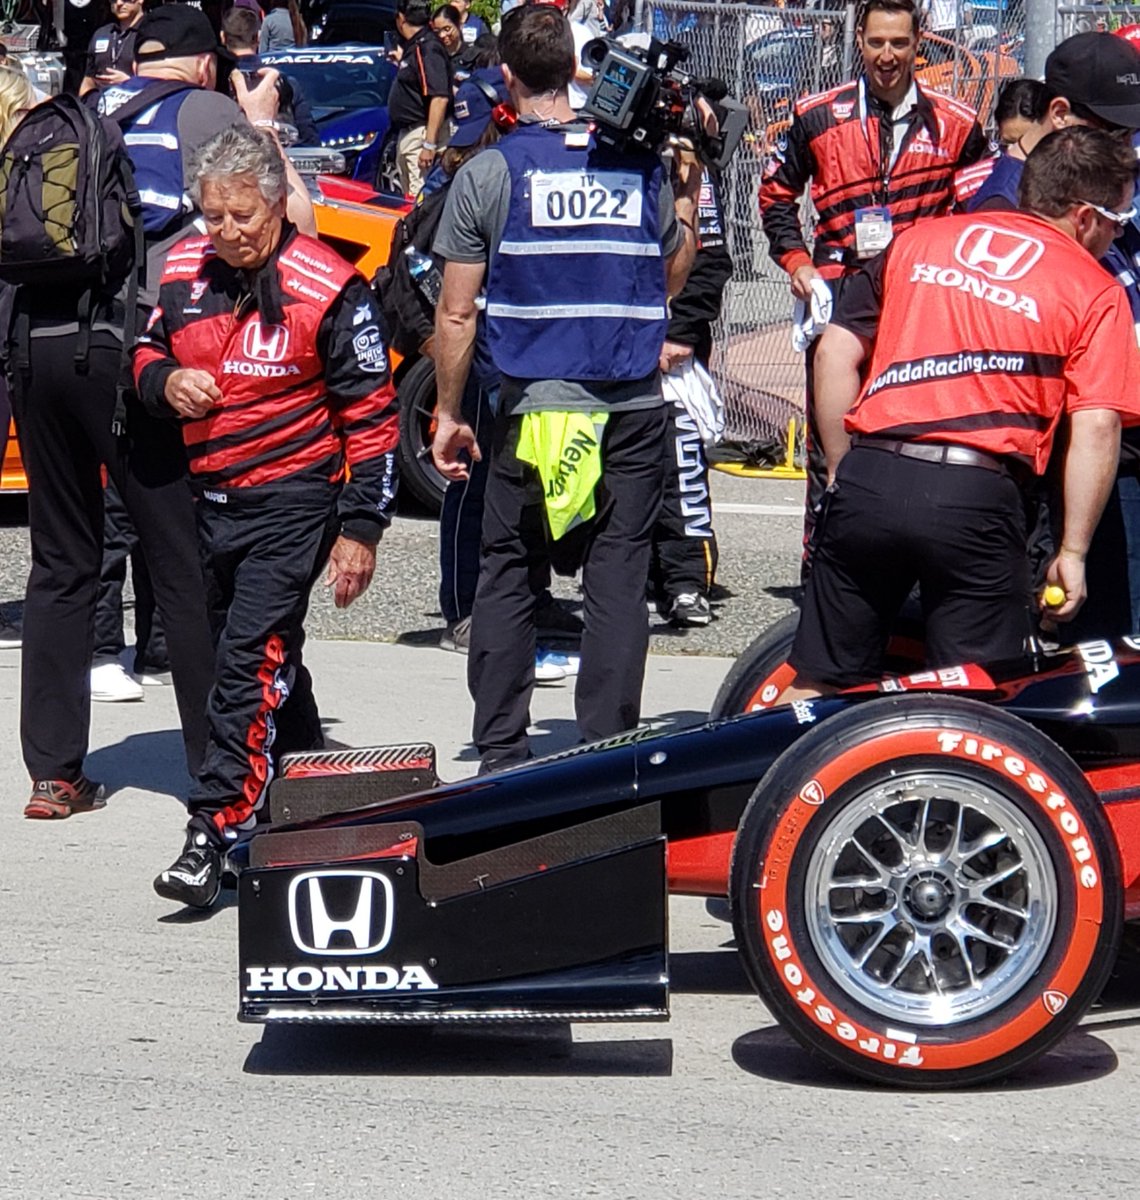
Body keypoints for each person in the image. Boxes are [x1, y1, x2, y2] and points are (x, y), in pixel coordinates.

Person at [12, 5, 311, 822]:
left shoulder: (74, 107)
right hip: (127, 354)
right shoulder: (207, 112)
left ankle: (54, 773)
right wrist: (261, 125)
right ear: (207, 65)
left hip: (35, 349)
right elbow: (296, 223)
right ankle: (218, 772)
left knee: (61, 558)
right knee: (183, 561)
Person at [134, 124, 400, 909]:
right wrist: (166, 381)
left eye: (240, 217)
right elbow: (144, 353)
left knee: (248, 661)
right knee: (244, 658)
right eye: (211, 216)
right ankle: (312, 774)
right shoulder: (184, 266)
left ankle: (212, 832)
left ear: (277, 204)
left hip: (297, 501)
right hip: (210, 501)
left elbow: (373, 418)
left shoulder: (330, 284)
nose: (225, 233)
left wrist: (361, 530)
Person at [431, 3, 701, 770]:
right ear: (575, 70)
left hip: (533, 407)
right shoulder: (635, 164)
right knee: (618, 576)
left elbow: (456, 312)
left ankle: (501, 752)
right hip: (629, 408)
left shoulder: (491, 171)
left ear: (507, 76)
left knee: (509, 570)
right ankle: (606, 751)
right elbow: (670, 278)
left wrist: (448, 413)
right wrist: (685, 191)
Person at [779, 128, 1140, 699]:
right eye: (1120, 216)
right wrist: (1072, 551)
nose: (1122, 230)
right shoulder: (1096, 291)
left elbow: (835, 351)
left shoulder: (920, 240)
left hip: (871, 474)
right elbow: (1097, 427)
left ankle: (767, 784)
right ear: (1084, 217)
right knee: (975, 703)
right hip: (977, 495)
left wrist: (842, 472)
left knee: (817, 685)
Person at [758, 0, 987, 578]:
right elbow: (776, 197)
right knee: (829, 447)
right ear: (858, 40)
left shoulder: (957, 123)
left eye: (900, 44)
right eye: (877, 42)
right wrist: (797, 265)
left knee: (912, 440)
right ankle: (826, 573)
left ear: (920, 43)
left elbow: (980, 211)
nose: (888, 56)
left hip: (921, 301)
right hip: (837, 290)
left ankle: (907, 576)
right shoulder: (817, 115)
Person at [649, 165, 732, 627]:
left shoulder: (687, 163)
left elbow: (712, 260)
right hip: (611, 344)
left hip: (673, 354)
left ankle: (685, 583)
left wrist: (677, 332)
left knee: (679, 468)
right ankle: (635, 575)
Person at [965, 34, 1140, 212]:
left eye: (1133, 132)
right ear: (1060, 114)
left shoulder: (1087, 176)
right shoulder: (1006, 205)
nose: (1128, 147)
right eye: (1116, 133)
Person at [222, 5, 320, 145]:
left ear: (223, 38)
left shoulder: (215, 85)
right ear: (258, 37)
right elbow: (310, 141)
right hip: (277, 160)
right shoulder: (284, 83)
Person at [387, 0, 452, 196]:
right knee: (409, 198)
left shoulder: (427, 47)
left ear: (401, 19)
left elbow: (439, 96)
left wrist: (429, 144)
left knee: (420, 200)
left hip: (422, 133)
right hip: (410, 134)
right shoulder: (415, 46)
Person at [80, 0, 145, 94]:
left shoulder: (150, 32)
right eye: (113, 0)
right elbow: (88, 81)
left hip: (136, 104)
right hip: (99, 104)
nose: (119, 3)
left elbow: (161, 83)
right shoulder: (101, 34)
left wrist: (129, 82)